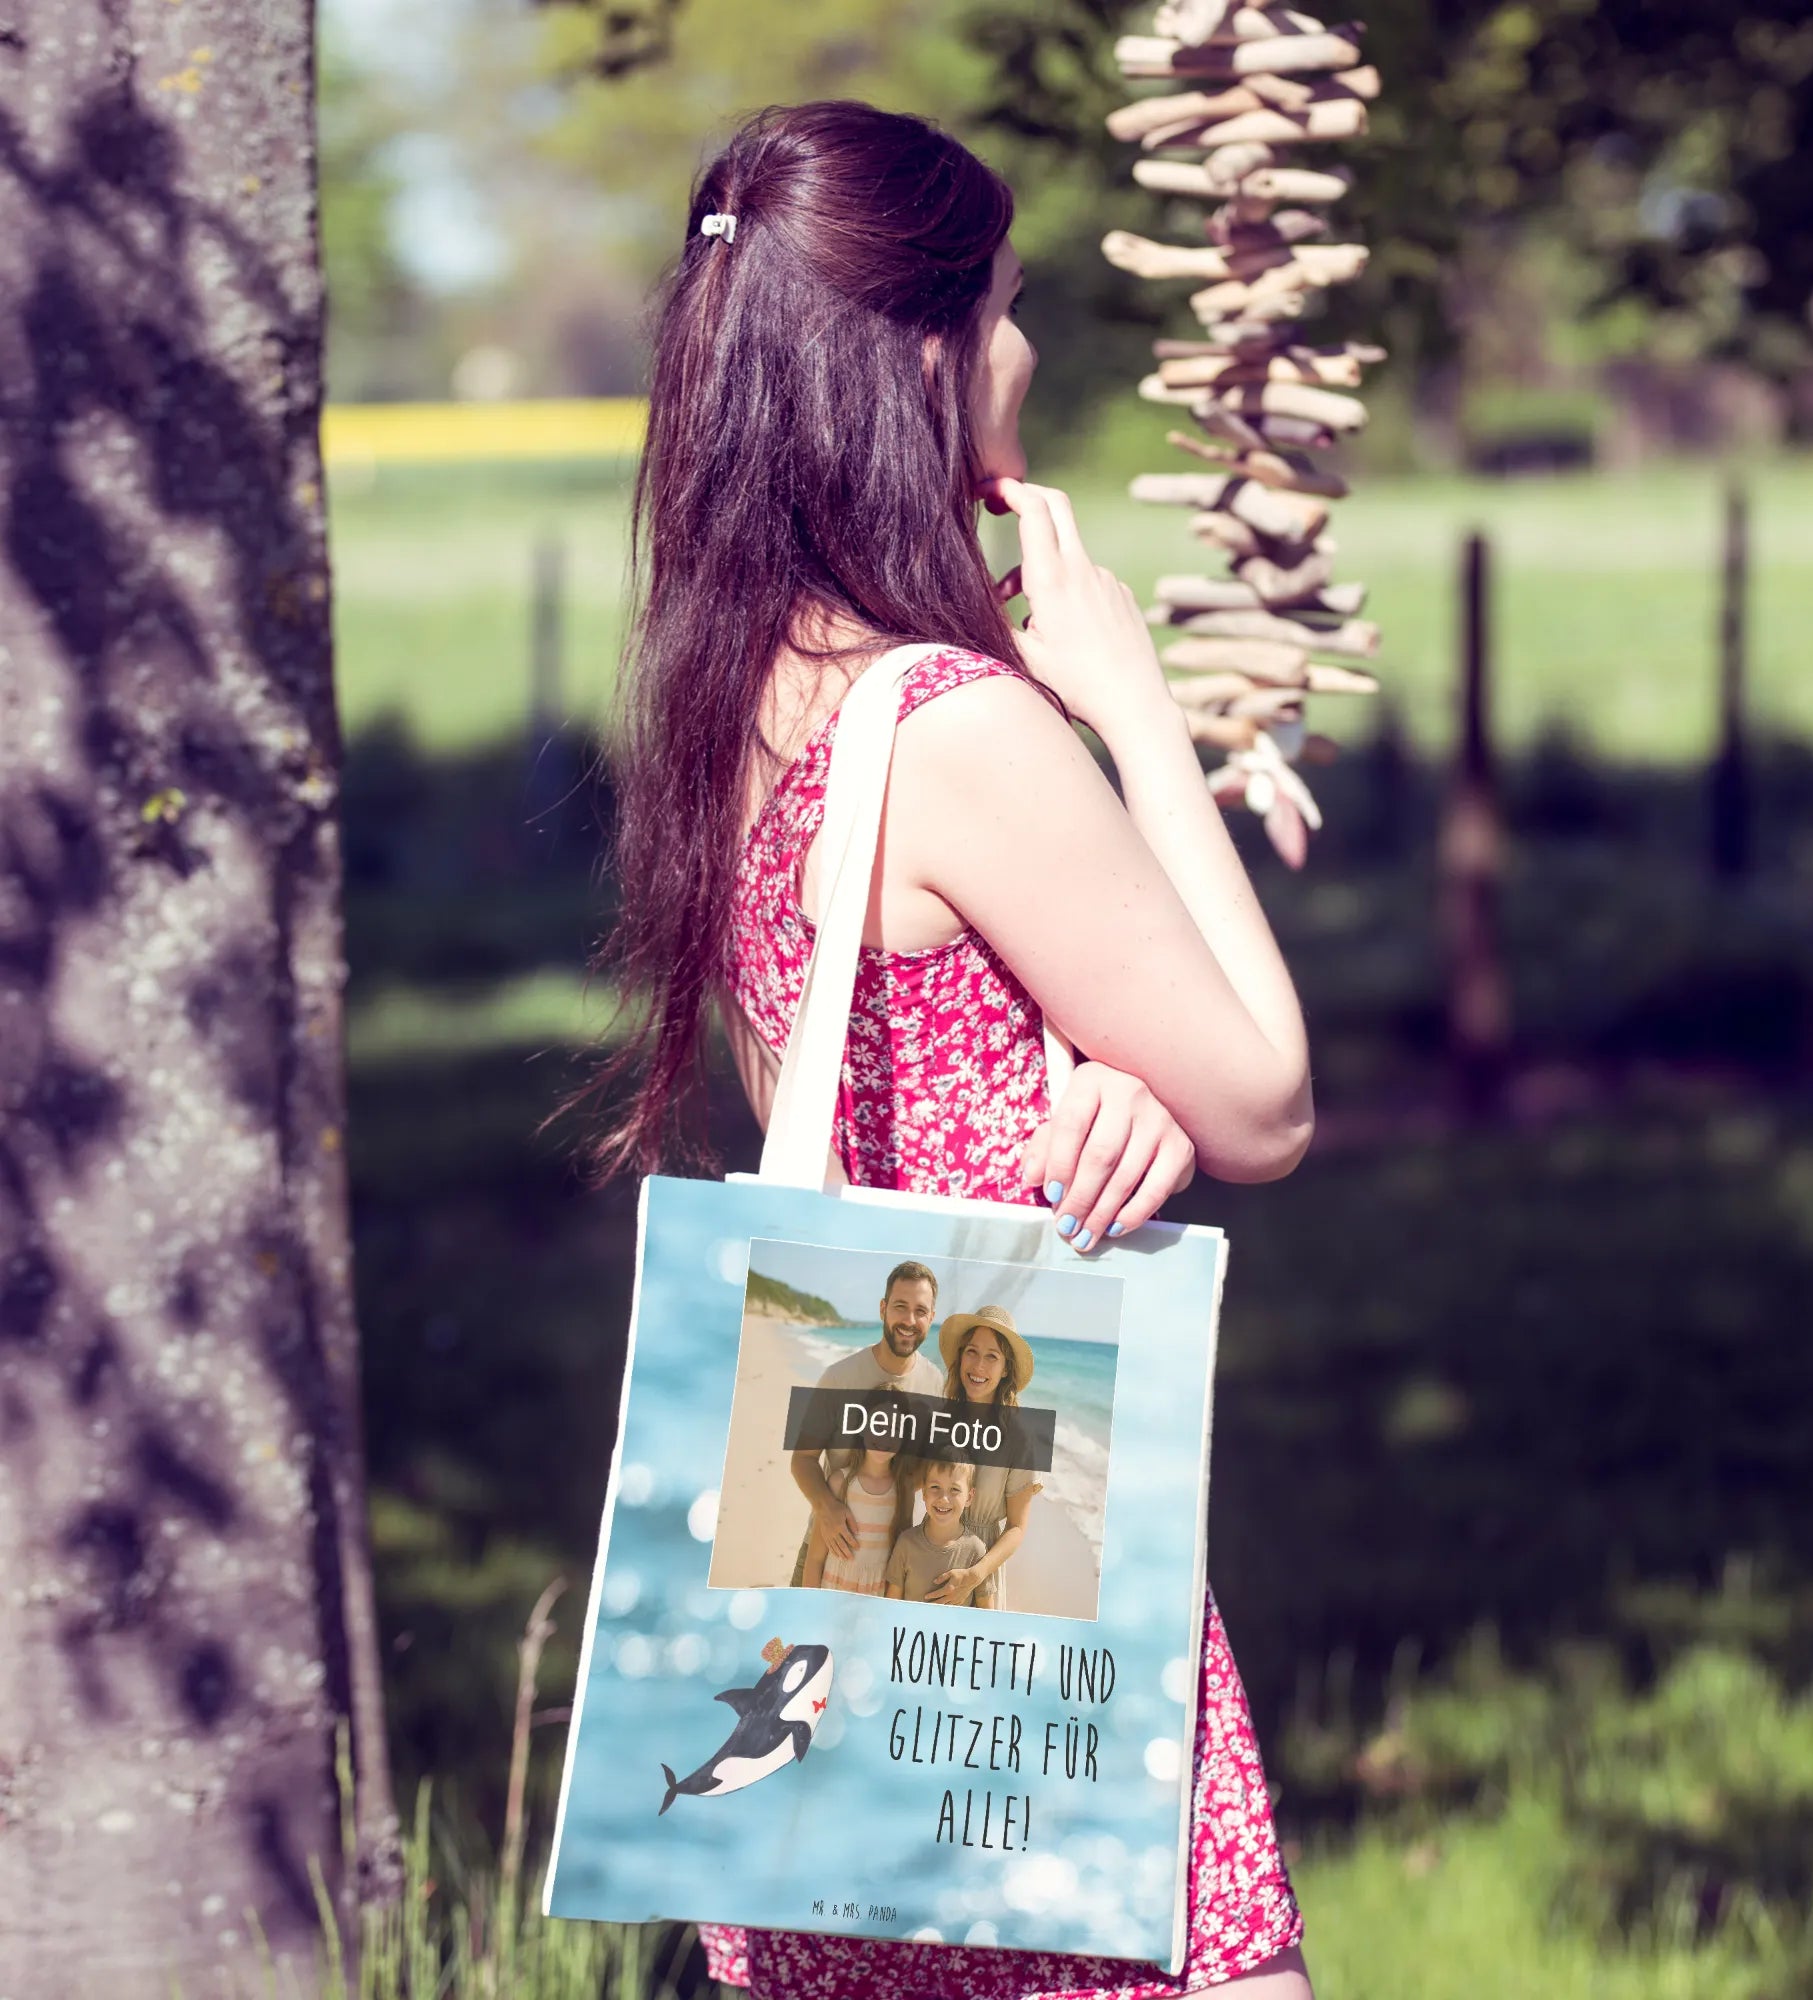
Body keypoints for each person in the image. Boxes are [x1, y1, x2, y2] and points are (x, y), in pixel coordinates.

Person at [591, 95, 1316, 2000]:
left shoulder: (737, 693)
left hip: (835, 1592)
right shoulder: (960, 730)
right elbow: (1267, 1097)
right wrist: (1135, 713)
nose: (1026, 350)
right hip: (1019, 1584)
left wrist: (1094, 1076)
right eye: (1000, 307)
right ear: (920, 354)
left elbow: (870, 1074)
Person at [786, 1259, 941, 1585]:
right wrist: (827, 1508)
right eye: (900, 1306)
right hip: (826, 1549)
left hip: (887, 1565)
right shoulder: (839, 1377)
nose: (909, 1320)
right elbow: (803, 1459)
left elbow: (921, 1472)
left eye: (920, 1311)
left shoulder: (934, 1384)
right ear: (883, 1309)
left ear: (931, 1317)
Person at [922, 1305, 1039, 1613]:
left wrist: (975, 1576)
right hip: (931, 1552)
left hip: (982, 1568)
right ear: (960, 1357)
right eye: (972, 1352)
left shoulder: (1020, 1435)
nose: (978, 1365)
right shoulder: (941, 1420)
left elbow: (1017, 1527)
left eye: (992, 1357)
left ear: (1006, 1369)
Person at [800, 1441, 906, 1597]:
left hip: (875, 1598)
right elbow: (815, 1559)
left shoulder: (903, 1490)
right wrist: (810, 1605)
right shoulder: (839, 1482)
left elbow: (900, 1563)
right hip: (831, 1594)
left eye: (895, 1430)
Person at [883, 1460, 992, 1608]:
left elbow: (987, 1614)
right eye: (935, 1487)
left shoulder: (976, 1550)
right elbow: (891, 1606)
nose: (943, 1498)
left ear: (969, 1497)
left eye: (954, 1489)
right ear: (924, 1492)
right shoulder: (906, 1543)